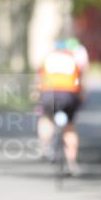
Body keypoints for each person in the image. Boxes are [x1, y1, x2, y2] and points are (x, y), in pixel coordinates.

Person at [36, 41, 84, 176]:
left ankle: (44, 148)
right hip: (68, 95)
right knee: (69, 128)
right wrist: (81, 97)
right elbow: (79, 81)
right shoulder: (73, 59)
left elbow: (39, 79)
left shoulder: (47, 59)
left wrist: (36, 95)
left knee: (46, 119)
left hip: (49, 94)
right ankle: (71, 162)